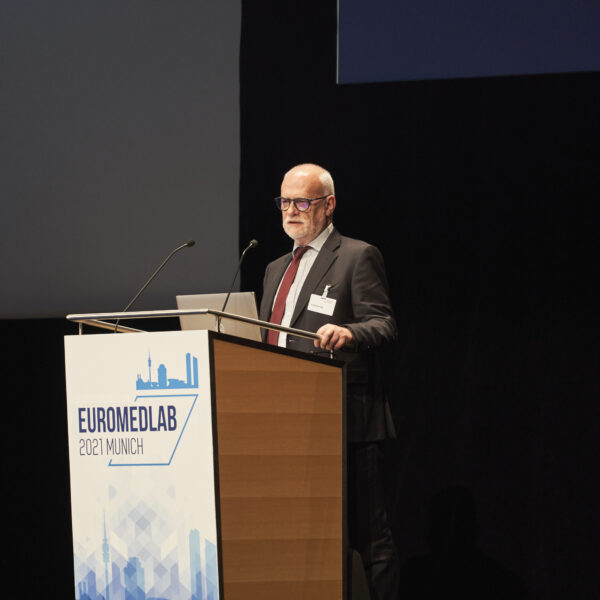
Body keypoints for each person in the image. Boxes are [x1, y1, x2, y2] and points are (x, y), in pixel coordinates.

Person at [259, 163, 400, 600]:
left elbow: (384, 324)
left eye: (302, 202)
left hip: (346, 423)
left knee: (369, 539)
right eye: (285, 202)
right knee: (302, 538)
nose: (291, 211)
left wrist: (350, 333)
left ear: (329, 204)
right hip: (285, 423)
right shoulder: (274, 268)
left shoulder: (356, 256)